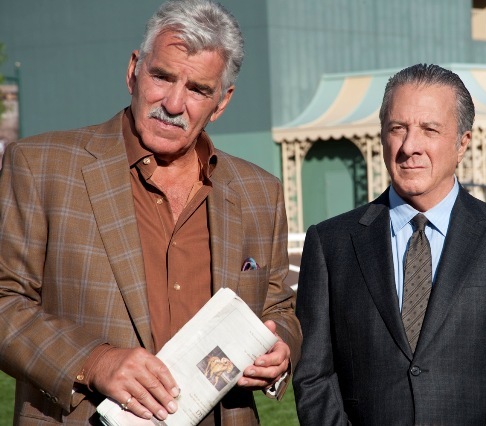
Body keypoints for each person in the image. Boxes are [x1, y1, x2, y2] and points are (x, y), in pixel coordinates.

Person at [0, 0, 301, 424]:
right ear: (133, 71)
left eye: (198, 89)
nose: (173, 104)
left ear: (221, 102)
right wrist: (94, 361)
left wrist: (280, 348)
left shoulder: (260, 192)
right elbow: (5, 301)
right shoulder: (40, 166)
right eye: (162, 76)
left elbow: (278, 307)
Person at [293, 64, 486, 425]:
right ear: (382, 136)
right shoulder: (330, 244)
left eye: (429, 130)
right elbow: (313, 377)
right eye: (397, 129)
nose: (409, 147)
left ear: (463, 143)